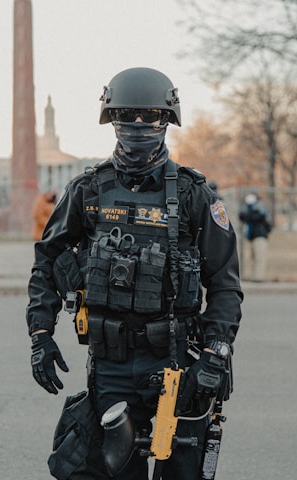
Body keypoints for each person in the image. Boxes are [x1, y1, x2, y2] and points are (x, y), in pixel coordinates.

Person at [26, 67, 243, 480]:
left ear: (168, 121)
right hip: (110, 365)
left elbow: (225, 285)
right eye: (128, 116)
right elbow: (47, 261)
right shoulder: (88, 190)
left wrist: (215, 354)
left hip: (176, 362)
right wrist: (40, 335)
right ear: (113, 120)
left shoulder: (196, 195)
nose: (139, 127)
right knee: (106, 471)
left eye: (151, 117)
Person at [239, 191, 272, 282]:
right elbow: (242, 216)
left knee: (259, 257)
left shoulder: (260, 207)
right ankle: (254, 276)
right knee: (252, 258)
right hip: (251, 236)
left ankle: (258, 278)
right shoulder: (248, 208)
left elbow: (256, 217)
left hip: (260, 236)